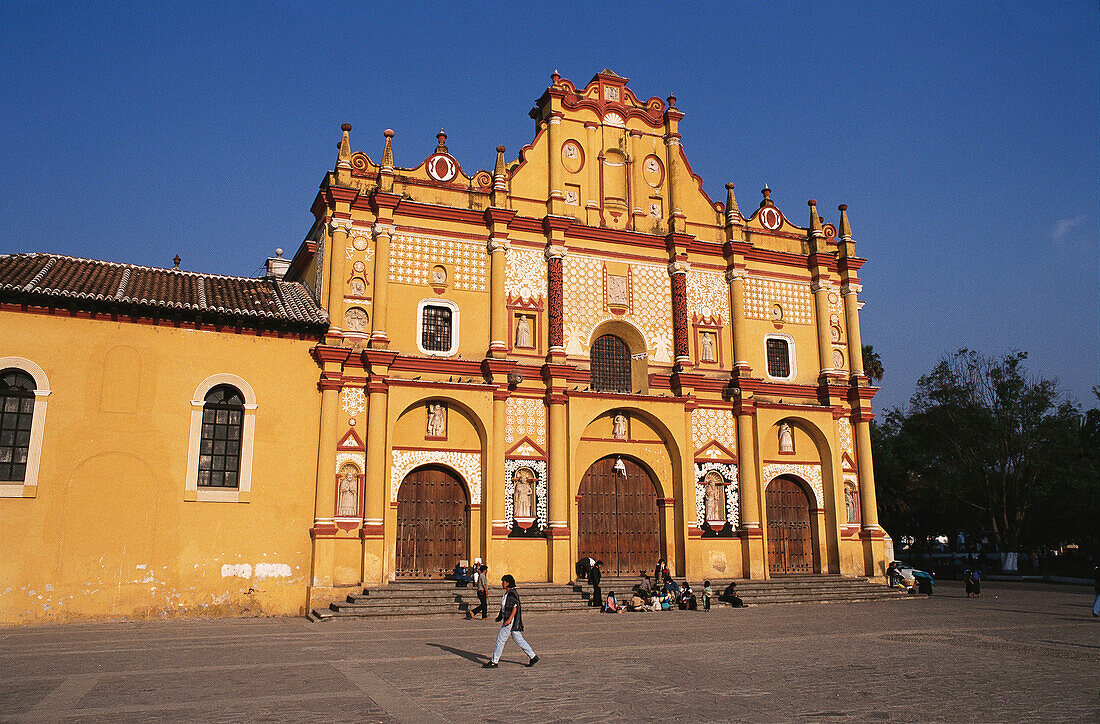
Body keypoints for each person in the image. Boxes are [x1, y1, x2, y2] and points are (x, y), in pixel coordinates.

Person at [483, 575, 538, 668]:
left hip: (510, 620)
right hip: (508, 618)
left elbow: (515, 607)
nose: (502, 584)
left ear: (508, 583)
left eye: (503, 582)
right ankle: (533, 656)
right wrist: (500, 617)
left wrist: (509, 619)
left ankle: (494, 661)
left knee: (500, 640)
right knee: (519, 639)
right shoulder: (508, 593)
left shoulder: (512, 593)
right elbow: (504, 607)